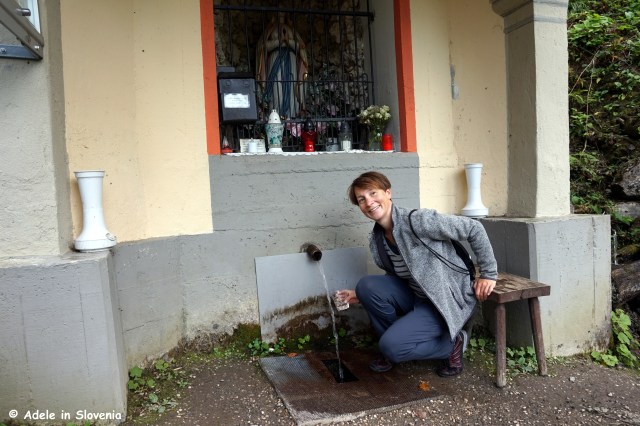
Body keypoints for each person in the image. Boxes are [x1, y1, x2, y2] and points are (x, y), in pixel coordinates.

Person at [336, 171, 497, 377]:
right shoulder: (377, 240)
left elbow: (474, 228)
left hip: (443, 301)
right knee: (366, 287)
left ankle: (452, 344)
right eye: (361, 199)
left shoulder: (418, 220)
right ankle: (396, 343)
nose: (369, 202)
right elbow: (397, 276)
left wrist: (488, 273)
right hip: (417, 296)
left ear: (388, 193)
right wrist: (361, 295)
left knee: (392, 347)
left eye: (373, 193)